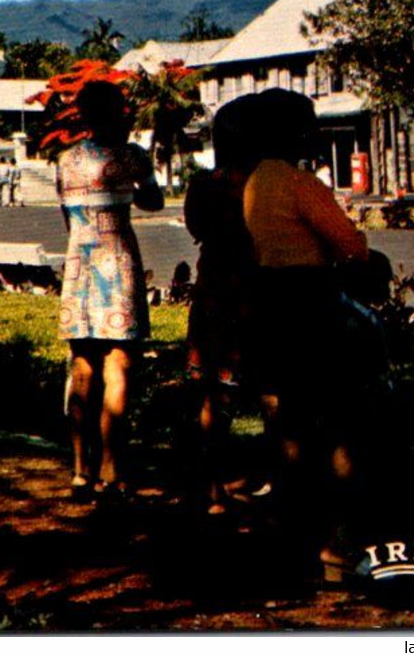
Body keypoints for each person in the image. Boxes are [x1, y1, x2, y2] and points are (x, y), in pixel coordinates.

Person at [240, 89, 374, 581]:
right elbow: (351, 247)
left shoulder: (257, 181)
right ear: (294, 132)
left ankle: (296, 534)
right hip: (311, 303)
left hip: (270, 302)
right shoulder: (302, 183)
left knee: (291, 425)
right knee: (340, 422)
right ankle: (339, 547)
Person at [54, 80, 163, 501]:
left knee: (81, 366)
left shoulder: (66, 160)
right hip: (117, 263)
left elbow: (68, 216)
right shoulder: (132, 156)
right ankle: (113, 471)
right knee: (118, 366)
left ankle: (80, 471)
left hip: (78, 264)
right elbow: (152, 202)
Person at [183, 94, 262, 514]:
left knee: (214, 396)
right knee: (272, 394)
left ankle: (212, 486)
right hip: (255, 287)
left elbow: (196, 228)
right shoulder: (261, 184)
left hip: (212, 286)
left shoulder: (203, 185)